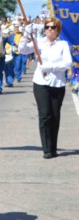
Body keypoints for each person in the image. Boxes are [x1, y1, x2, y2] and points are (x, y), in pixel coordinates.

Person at [18, 17, 72, 158]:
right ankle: (46, 149)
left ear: (57, 30)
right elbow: (22, 50)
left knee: (54, 116)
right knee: (44, 115)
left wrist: (52, 67)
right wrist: (25, 34)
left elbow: (67, 63)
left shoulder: (63, 44)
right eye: (47, 26)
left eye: (52, 27)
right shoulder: (38, 43)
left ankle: (53, 148)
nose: (49, 29)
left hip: (57, 83)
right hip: (40, 83)